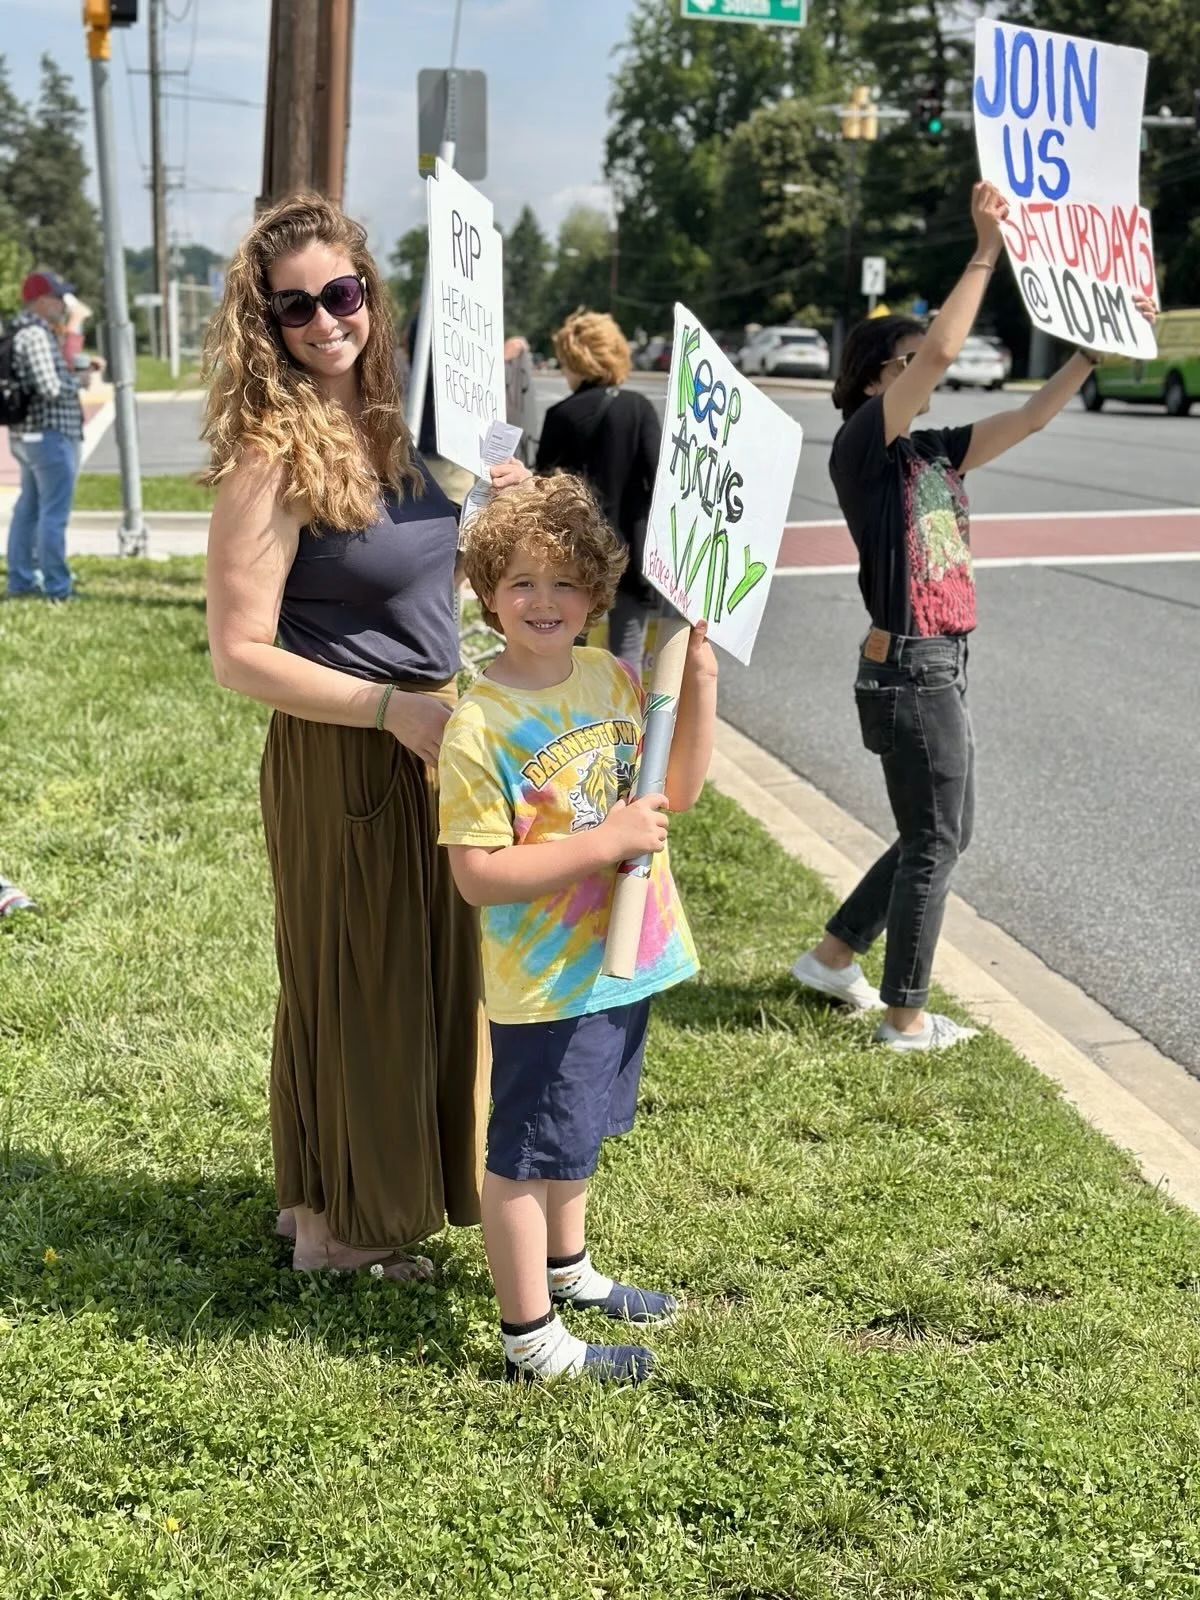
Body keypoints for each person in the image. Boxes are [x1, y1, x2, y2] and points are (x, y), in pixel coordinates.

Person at [203, 192, 528, 1281]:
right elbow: (238, 651)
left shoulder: (395, 432)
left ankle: (319, 1202)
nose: (324, 320)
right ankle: (347, 1234)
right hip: (350, 749)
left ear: (372, 300)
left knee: (408, 981)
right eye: (294, 308)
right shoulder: (270, 455)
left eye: (341, 294)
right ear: (267, 325)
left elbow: (427, 585)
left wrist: (505, 513)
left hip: (429, 736)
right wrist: (397, 712)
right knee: (362, 984)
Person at [790, 180, 1157, 1053]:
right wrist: (985, 249)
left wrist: (1086, 358)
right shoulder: (863, 449)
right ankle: (905, 1017)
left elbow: (1028, 419)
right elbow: (943, 354)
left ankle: (833, 954)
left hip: (937, 662)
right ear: (881, 375)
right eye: (912, 362)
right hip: (911, 664)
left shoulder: (931, 449)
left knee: (938, 831)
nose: (932, 370)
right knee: (937, 839)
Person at [439, 473, 718, 1383]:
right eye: (521, 582)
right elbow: (478, 877)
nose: (544, 601)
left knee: (576, 1132)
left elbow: (673, 795)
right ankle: (531, 1340)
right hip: (545, 978)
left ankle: (571, 1270)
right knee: (524, 1151)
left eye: (564, 582)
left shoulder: (608, 678)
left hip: (618, 955)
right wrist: (606, 843)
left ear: (598, 593)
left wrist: (700, 681)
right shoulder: (481, 723)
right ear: (486, 595)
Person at [535, 310, 661, 671]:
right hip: (630, 550)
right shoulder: (638, 408)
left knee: (568, 650)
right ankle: (627, 723)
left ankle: (575, 723)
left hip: (574, 551)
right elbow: (658, 480)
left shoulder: (561, 415)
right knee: (628, 655)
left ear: (575, 360)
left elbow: (545, 493)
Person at [5, 270, 84, 602]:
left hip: (26, 436)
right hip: (49, 435)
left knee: (28, 509)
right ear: (41, 301)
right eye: (57, 297)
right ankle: (57, 586)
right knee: (52, 514)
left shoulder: (18, 330)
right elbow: (49, 387)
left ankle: (21, 579)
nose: (62, 304)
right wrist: (76, 380)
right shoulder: (36, 334)